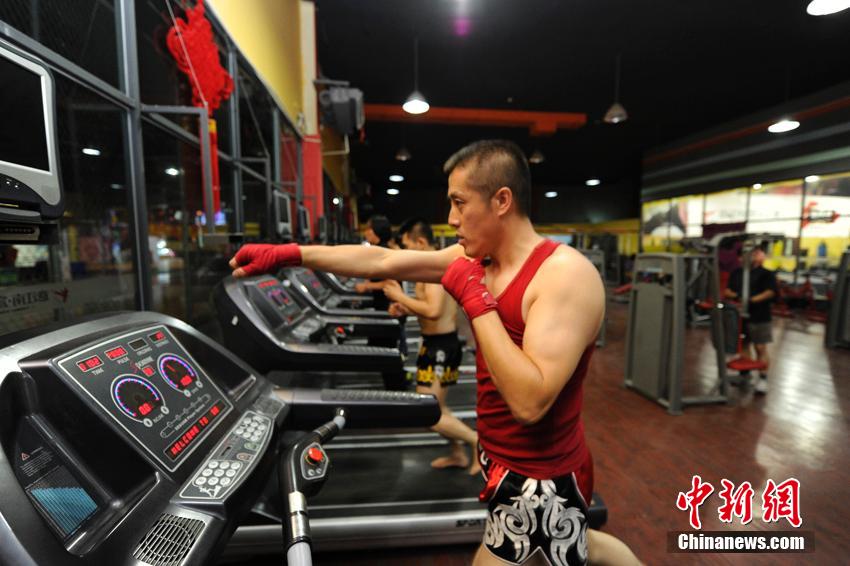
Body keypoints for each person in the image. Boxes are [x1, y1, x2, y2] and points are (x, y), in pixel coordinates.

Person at [229, 140, 642, 566]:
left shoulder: (563, 276)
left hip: (543, 473)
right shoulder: (478, 260)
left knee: (539, 553)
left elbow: (529, 402)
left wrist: (476, 299)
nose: (451, 218)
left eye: (460, 203)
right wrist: (289, 255)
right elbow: (382, 261)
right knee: (585, 546)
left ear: (502, 201)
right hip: (500, 456)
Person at [383, 217, 479, 474]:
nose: (405, 252)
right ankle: (458, 454)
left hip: (442, 347)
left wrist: (400, 296)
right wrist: (405, 307)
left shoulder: (436, 271)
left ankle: (476, 443)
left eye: (407, 246)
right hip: (433, 344)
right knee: (437, 409)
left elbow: (434, 310)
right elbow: (428, 309)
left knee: (430, 413)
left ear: (421, 242)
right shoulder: (426, 270)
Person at [353, 214, 408, 390]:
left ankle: (398, 391)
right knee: (384, 353)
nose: (365, 232)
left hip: (390, 309)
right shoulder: (381, 249)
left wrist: (367, 286)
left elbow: (389, 282)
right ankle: (395, 387)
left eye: (368, 228)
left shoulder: (381, 252)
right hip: (385, 308)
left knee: (387, 355)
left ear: (375, 231)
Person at [723, 245, 777, 394]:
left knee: (760, 347)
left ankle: (763, 379)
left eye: (751, 254)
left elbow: (770, 292)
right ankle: (745, 376)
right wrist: (739, 297)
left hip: (760, 315)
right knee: (744, 345)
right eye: (742, 256)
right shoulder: (736, 273)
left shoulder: (766, 274)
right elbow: (727, 291)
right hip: (741, 316)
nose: (745, 258)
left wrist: (751, 300)